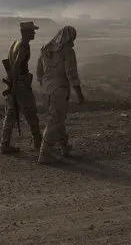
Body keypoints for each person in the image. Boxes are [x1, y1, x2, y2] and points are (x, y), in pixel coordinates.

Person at [36, 25, 85, 164]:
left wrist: (44, 85)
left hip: (46, 90)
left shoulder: (46, 48)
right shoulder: (67, 51)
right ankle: (44, 154)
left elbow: (39, 72)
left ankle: (65, 147)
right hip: (60, 89)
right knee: (54, 121)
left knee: (58, 119)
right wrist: (79, 92)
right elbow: (71, 73)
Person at [0, 21, 43, 154]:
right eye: (32, 31)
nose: (34, 33)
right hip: (20, 84)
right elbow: (18, 63)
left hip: (13, 82)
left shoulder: (15, 43)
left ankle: (4, 144)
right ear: (26, 33)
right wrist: (15, 84)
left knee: (10, 114)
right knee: (30, 112)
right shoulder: (24, 46)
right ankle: (39, 143)